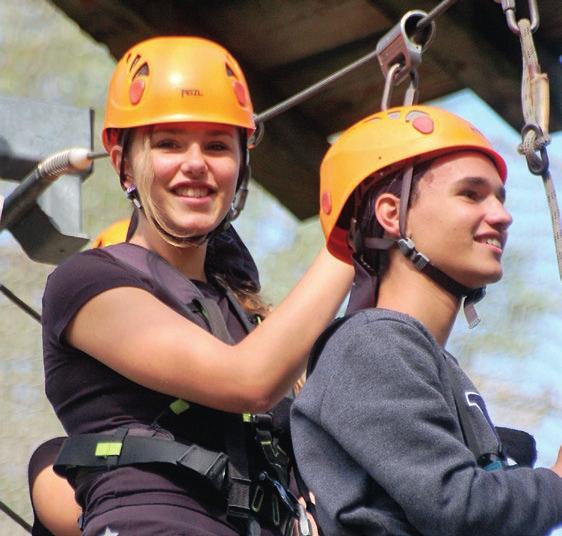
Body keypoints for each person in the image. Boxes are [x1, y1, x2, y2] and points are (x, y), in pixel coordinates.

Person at [36, 36, 353, 536]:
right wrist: (349, 241)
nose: (196, 163)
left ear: (242, 163)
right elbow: (248, 381)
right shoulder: (87, 281)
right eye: (168, 143)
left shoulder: (245, 320)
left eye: (217, 145)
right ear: (121, 157)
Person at [291, 105, 562, 536]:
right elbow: (457, 507)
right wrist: (555, 484)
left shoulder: (424, 359)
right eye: (471, 194)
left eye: (499, 197)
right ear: (390, 213)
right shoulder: (372, 344)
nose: (503, 216)